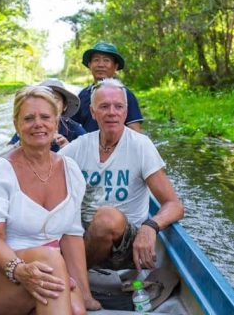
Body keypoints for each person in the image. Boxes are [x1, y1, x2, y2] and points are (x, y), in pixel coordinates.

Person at [0, 85, 99, 314]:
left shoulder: (70, 170)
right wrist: (19, 270)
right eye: (28, 118)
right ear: (16, 125)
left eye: (45, 117)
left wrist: (85, 294)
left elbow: (71, 237)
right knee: (49, 261)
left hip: (49, 268)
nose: (38, 124)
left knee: (78, 309)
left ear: (56, 122)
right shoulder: (1, 168)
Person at [60, 78, 184, 271]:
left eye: (118, 106)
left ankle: (74, 275)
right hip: (81, 235)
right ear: (93, 112)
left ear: (125, 112)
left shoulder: (140, 146)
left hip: (122, 246)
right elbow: (44, 171)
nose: (112, 112)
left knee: (106, 218)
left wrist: (150, 226)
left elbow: (174, 205)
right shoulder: (80, 146)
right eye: (104, 106)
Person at [71, 42, 143, 133]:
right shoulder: (83, 95)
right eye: (96, 60)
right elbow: (72, 128)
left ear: (115, 66)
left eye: (106, 60)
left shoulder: (125, 95)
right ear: (89, 65)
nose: (101, 65)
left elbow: (135, 131)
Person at [8, 79, 86, 152]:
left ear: (64, 106)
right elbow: (9, 150)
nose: (50, 105)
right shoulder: (28, 127)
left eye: (55, 99)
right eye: (45, 100)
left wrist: (70, 151)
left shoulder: (75, 130)